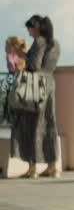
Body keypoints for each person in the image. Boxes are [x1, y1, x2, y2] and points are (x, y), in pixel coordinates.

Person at [11, 15, 60, 179]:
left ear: (36, 27)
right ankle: (52, 166)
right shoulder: (55, 43)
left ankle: (32, 168)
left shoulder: (39, 42)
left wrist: (21, 54)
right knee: (48, 125)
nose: (28, 31)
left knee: (31, 125)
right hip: (49, 85)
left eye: (29, 28)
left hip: (35, 87)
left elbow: (33, 65)